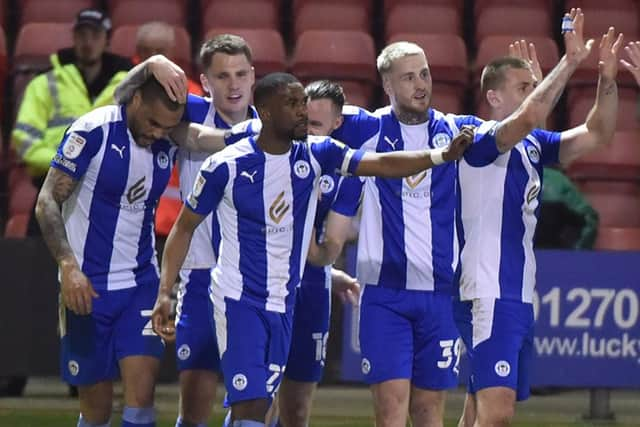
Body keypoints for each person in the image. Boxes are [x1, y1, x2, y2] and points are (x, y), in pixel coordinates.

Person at [151, 72, 474, 427]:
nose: (303, 111)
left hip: (284, 303)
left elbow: (382, 164)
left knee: (259, 409)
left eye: (303, 103)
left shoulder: (318, 154)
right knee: (252, 405)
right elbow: (182, 229)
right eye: (292, 104)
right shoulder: (225, 166)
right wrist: (166, 291)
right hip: (237, 300)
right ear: (266, 112)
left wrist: (440, 155)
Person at [454, 9, 621, 427]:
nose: (534, 93)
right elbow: (528, 115)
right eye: (524, 86)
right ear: (493, 98)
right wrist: (569, 61)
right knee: (497, 414)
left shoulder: (532, 147)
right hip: (488, 289)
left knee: (477, 409)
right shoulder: (476, 137)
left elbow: (597, 133)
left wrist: (607, 80)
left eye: (534, 85)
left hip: (517, 292)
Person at [34, 75, 231, 427]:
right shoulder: (92, 131)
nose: (158, 133)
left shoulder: (166, 135)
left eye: (167, 127)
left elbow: (200, 138)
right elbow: (46, 201)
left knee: (141, 403)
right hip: (87, 286)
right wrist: (67, 265)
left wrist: (249, 135)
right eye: (154, 123)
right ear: (136, 100)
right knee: (96, 410)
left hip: (141, 283)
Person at [329, 41, 482, 427]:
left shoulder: (454, 130)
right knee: (390, 411)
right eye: (409, 77)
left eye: (425, 74)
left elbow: (511, 131)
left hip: (440, 294)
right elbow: (314, 106)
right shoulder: (368, 128)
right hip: (384, 295)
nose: (421, 84)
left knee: (430, 411)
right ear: (387, 85)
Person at [115, 34, 258, 427]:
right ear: (205, 82)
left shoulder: (273, 127)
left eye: (241, 74)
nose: (234, 84)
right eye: (222, 76)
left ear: (253, 77)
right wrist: (150, 65)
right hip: (199, 277)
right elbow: (125, 101)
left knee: (256, 407)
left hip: (256, 284)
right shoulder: (188, 111)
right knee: (194, 407)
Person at [277, 80, 362, 427]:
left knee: (297, 411)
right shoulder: (270, 156)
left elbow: (328, 251)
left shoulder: (346, 175)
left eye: (315, 126)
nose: (306, 134)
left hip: (311, 287)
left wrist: (324, 265)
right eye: (302, 123)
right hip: (262, 286)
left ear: (336, 124)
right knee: (256, 400)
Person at [12, 8, 132, 190]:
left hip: (106, 186)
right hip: (51, 183)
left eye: (95, 35)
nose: (88, 42)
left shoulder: (126, 85)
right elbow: (24, 139)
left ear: (107, 40)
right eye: (82, 35)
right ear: (74, 38)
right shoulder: (44, 83)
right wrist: (67, 162)